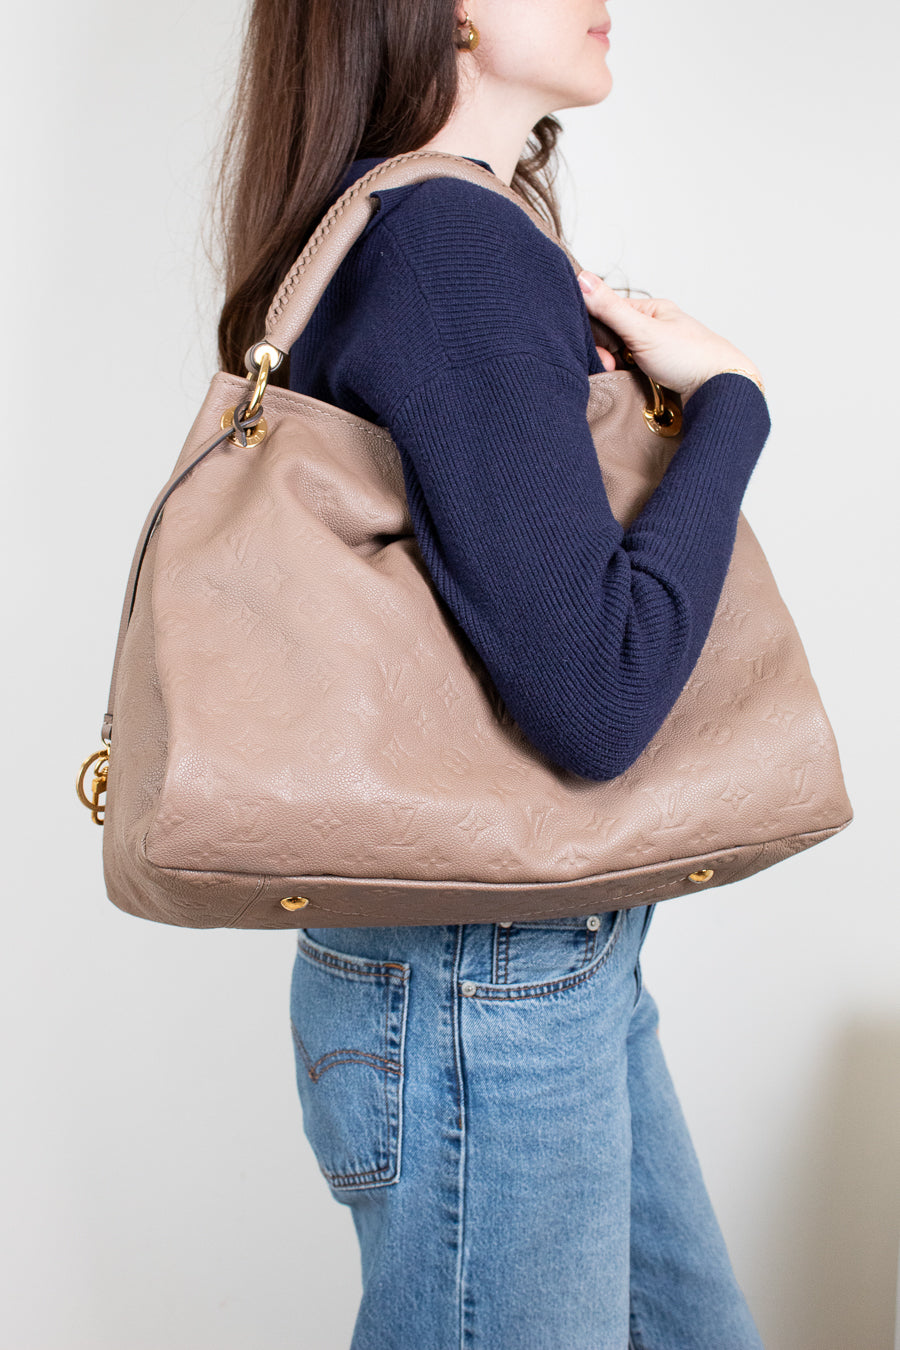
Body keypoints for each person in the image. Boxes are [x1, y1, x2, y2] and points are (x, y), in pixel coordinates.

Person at [215, 3, 770, 1346]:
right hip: (486, 988)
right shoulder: (451, 245)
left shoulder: (428, 229)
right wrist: (732, 405)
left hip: (526, 960)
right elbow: (594, 697)